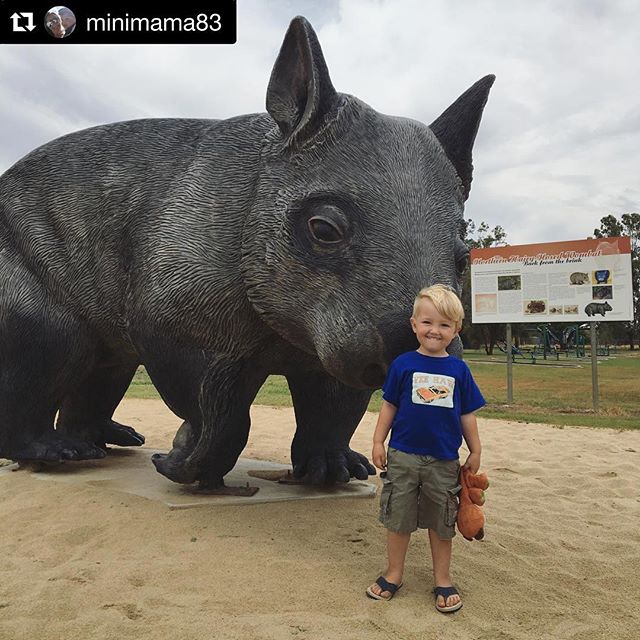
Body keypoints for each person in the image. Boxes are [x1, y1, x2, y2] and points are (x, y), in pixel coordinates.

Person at [366, 284, 485, 613]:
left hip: (444, 461)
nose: (435, 330)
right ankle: (393, 574)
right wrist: (378, 441)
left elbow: (467, 414)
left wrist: (475, 449)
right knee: (398, 519)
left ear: (456, 330)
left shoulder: (459, 370)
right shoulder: (403, 365)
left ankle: (442, 579)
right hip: (402, 455)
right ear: (414, 324)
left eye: (445, 325)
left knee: (441, 522)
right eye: (428, 322)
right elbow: (388, 406)